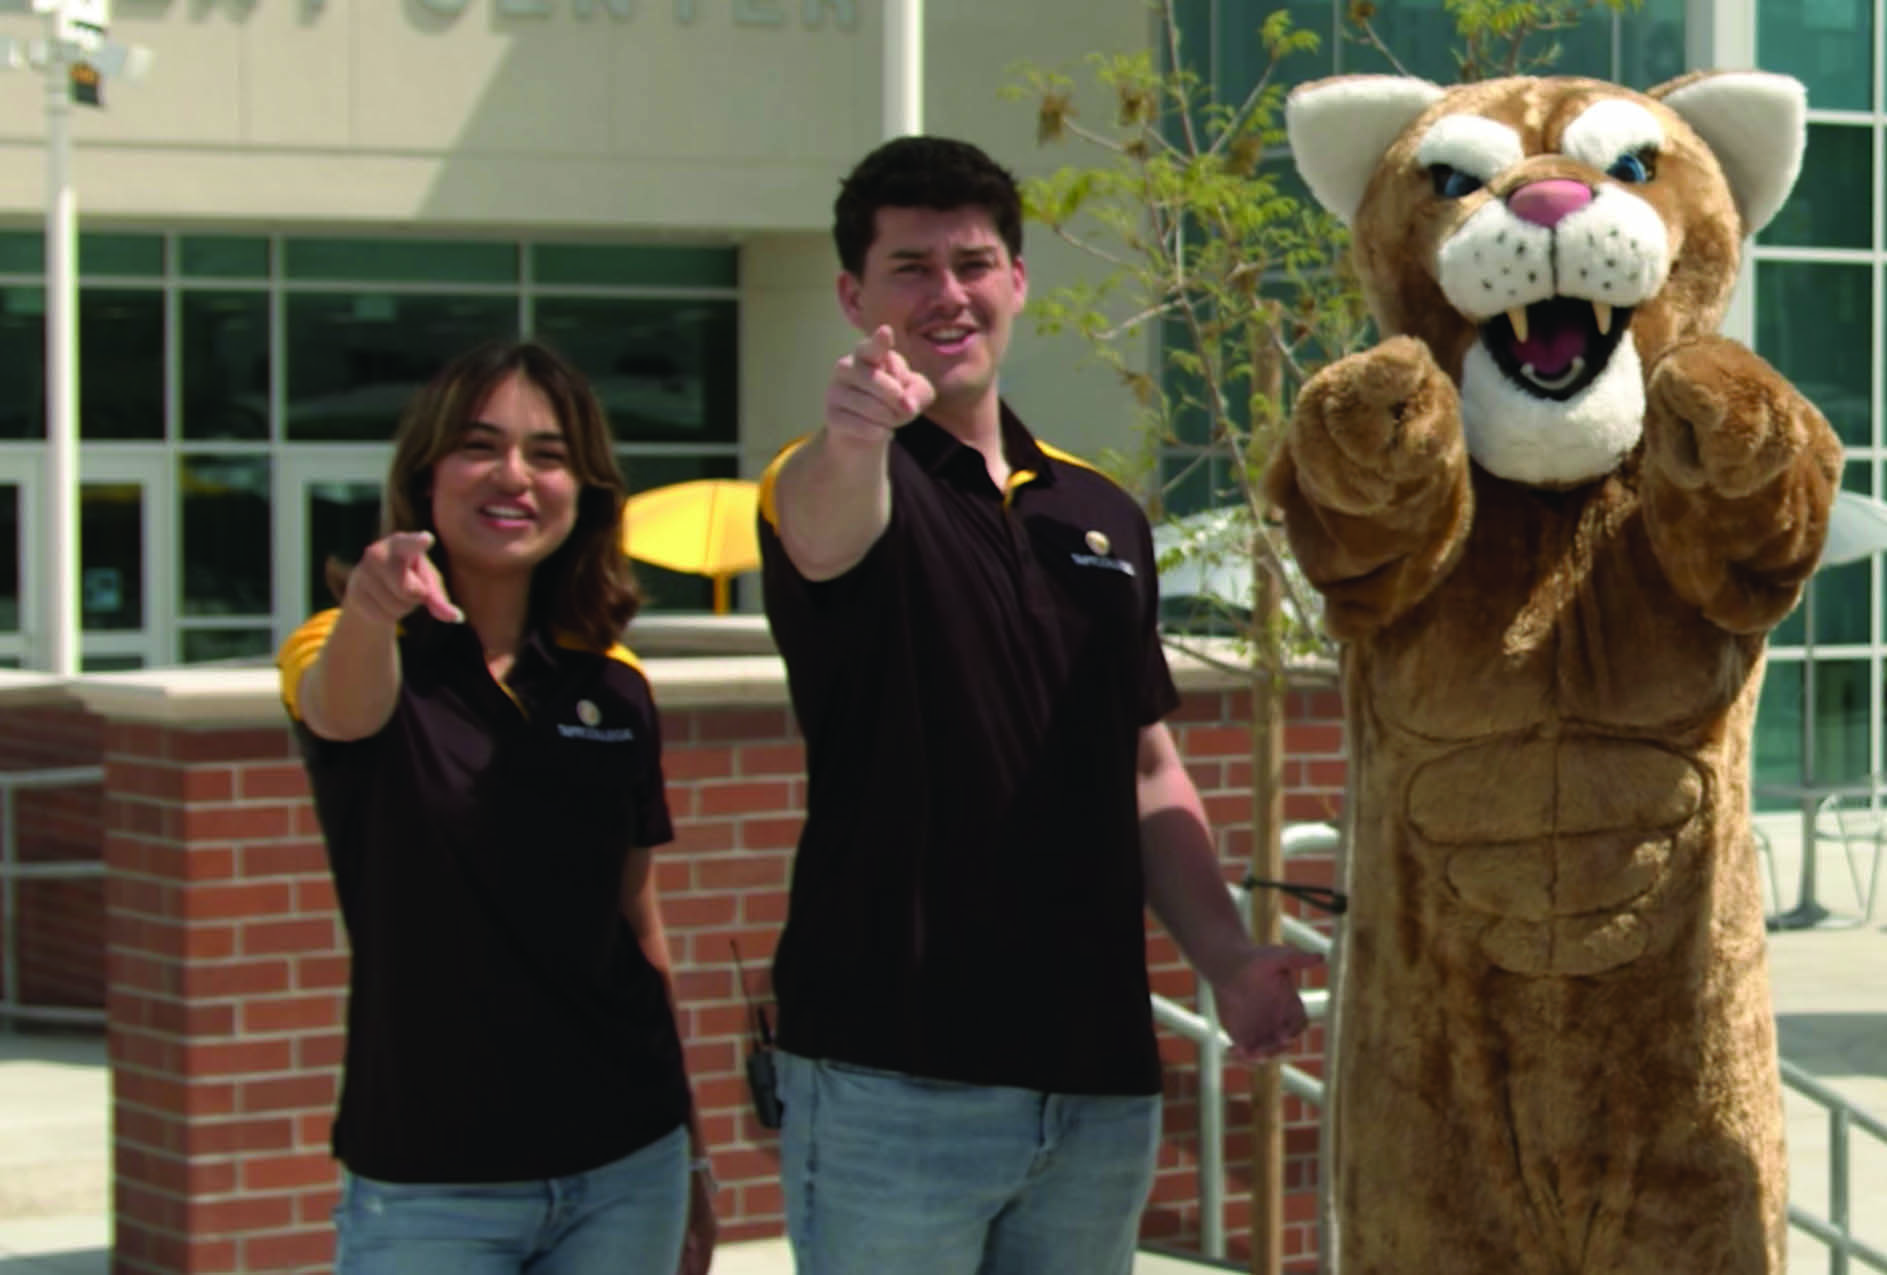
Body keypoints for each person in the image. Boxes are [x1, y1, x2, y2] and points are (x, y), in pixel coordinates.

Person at [752, 134, 1317, 1275]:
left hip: (1095, 1083)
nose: (946, 295)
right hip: (890, 1076)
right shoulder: (837, 475)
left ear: (1017, 280)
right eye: (910, 268)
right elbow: (822, 530)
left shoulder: (1101, 513)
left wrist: (1225, 957)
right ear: (855, 295)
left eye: (972, 263)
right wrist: (859, 427)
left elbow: (1144, 765)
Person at [279, 340, 715, 1275]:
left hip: (626, 1161)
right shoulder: (349, 646)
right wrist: (368, 604)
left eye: (548, 455)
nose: (514, 475)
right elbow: (340, 711)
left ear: (585, 488)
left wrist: (698, 1145)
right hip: (431, 1181)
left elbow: (638, 922)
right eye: (481, 446)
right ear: (427, 473)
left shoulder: (615, 684)